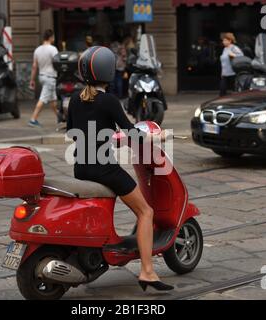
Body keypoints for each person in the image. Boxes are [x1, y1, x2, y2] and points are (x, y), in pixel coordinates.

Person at [66, 46, 173, 292]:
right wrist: (161, 136)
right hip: (104, 169)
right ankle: (147, 272)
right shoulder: (109, 101)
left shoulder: (74, 98)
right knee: (146, 211)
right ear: (108, 71)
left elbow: (74, 132)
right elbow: (132, 132)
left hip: (81, 169)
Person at [29, 29, 59, 129]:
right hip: (50, 77)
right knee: (43, 99)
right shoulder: (53, 49)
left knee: (53, 99)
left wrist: (32, 80)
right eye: (53, 36)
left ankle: (60, 117)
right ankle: (33, 119)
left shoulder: (37, 50)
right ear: (50, 37)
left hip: (41, 76)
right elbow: (57, 63)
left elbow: (34, 66)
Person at [219, 32, 244, 97]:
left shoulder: (234, 48)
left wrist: (233, 55)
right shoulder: (224, 49)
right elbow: (223, 62)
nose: (223, 42)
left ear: (230, 40)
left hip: (232, 73)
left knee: (234, 89)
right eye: (223, 40)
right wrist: (222, 73)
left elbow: (241, 56)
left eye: (225, 40)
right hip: (225, 73)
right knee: (222, 89)